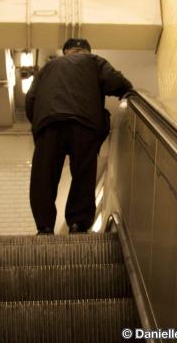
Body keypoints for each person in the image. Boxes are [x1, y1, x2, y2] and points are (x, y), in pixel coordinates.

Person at [25, 38, 133, 234]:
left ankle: (44, 226)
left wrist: (40, 123)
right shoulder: (93, 61)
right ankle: (78, 223)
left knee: (44, 177)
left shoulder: (48, 67)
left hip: (50, 123)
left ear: (65, 51)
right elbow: (115, 82)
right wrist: (127, 91)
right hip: (84, 124)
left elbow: (30, 100)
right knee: (83, 174)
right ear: (86, 50)